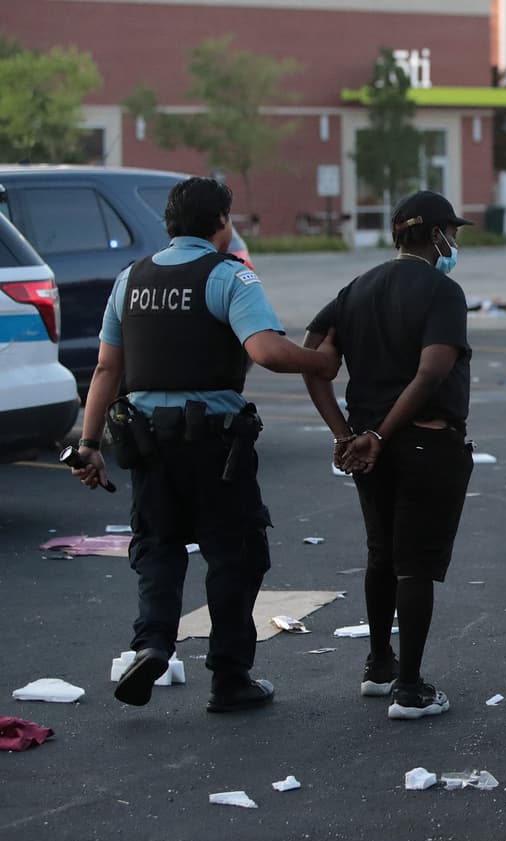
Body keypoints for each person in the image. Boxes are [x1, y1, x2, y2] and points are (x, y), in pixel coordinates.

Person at [69, 176, 340, 713]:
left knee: (157, 548)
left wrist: (89, 443)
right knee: (234, 554)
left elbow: (106, 367)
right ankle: (230, 678)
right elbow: (265, 350)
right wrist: (321, 361)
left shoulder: (131, 279)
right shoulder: (228, 276)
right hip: (214, 447)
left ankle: (151, 645)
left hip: (146, 442)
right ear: (220, 223)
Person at [302, 190, 473, 721]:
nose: (456, 242)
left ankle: (379, 665)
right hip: (424, 441)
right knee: (415, 563)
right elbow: (433, 369)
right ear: (437, 234)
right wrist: (379, 433)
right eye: (453, 232)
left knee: (382, 553)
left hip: (370, 449)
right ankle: (411, 687)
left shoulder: (356, 289)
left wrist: (347, 433)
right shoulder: (442, 291)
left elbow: (313, 361)